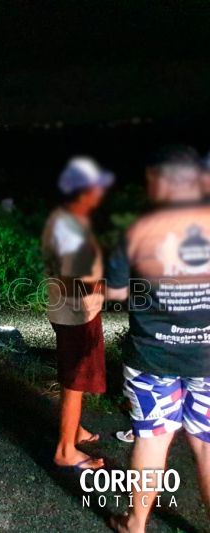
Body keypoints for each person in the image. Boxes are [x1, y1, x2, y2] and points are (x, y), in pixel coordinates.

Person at [107, 146, 210, 532]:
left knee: (152, 441)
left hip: (153, 359)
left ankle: (135, 524)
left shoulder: (138, 231)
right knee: (207, 445)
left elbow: (116, 293)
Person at [41, 157, 113, 471]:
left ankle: (74, 429)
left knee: (76, 376)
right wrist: (103, 289)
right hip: (76, 314)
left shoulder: (67, 219)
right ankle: (65, 450)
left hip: (71, 310)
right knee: (75, 380)